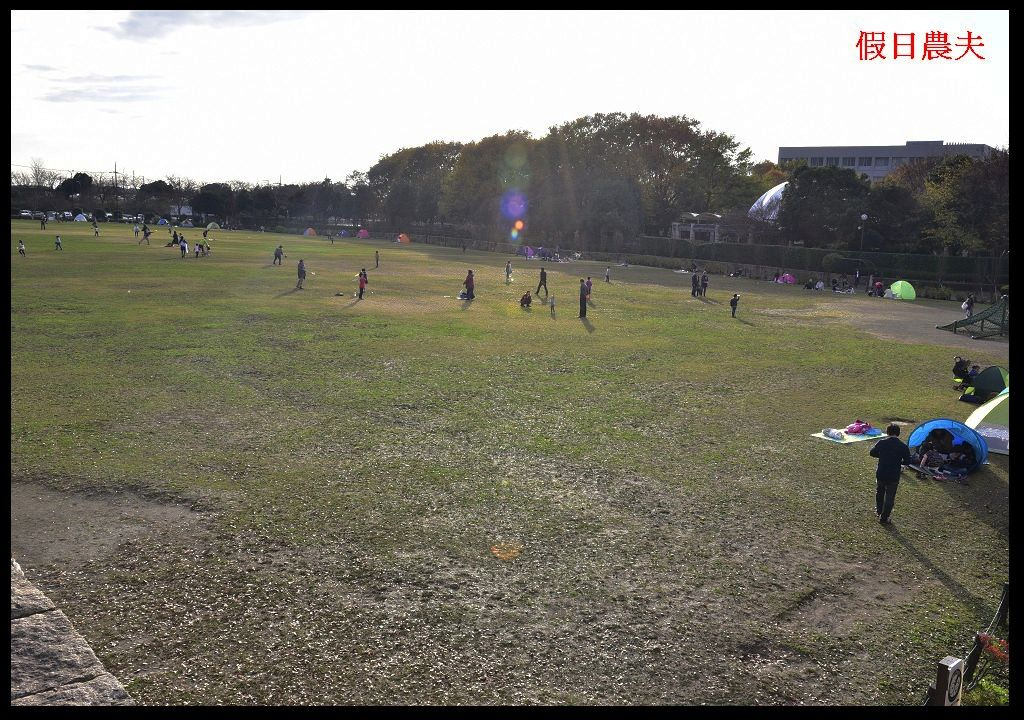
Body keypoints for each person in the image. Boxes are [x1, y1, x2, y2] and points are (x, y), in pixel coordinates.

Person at [869, 424, 911, 525]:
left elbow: (872, 453)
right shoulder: (903, 446)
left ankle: (879, 511)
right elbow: (907, 461)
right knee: (890, 497)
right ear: (898, 433)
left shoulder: (882, 442)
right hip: (893, 475)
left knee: (880, 493)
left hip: (881, 472)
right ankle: (884, 517)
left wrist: (882, 455)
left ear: (887, 432)